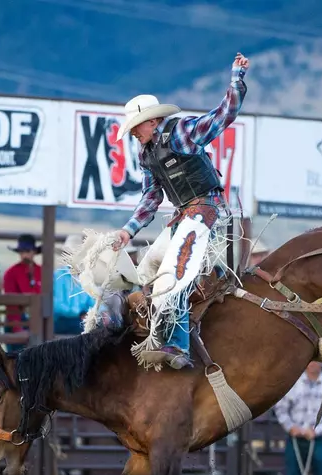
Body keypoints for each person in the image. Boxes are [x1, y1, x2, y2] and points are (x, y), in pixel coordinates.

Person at [110, 52, 250, 370]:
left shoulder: (182, 133)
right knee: (144, 271)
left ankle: (178, 345)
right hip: (183, 218)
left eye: (136, 126)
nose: (133, 133)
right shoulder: (146, 154)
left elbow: (222, 116)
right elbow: (150, 198)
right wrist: (127, 230)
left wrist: (236, 80)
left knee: (172, 275)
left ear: (152, 120)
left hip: (206, 212)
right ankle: (139, 328)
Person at [2, 234, 43, 343]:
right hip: (18, 320)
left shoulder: (42, 272)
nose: (24, 255)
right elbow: (11, 304)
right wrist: (17, 328)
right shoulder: (10, 273)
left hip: (37, 321)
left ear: (34, 252)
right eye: (22, 252)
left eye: (27, 251)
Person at [53, 235, 96, 336]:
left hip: (80, 320)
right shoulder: (58, 276)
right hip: (63, 320)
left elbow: (93, 301)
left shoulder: (87, 275)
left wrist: (88, 313)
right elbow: (58, 306)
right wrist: (80, 313)